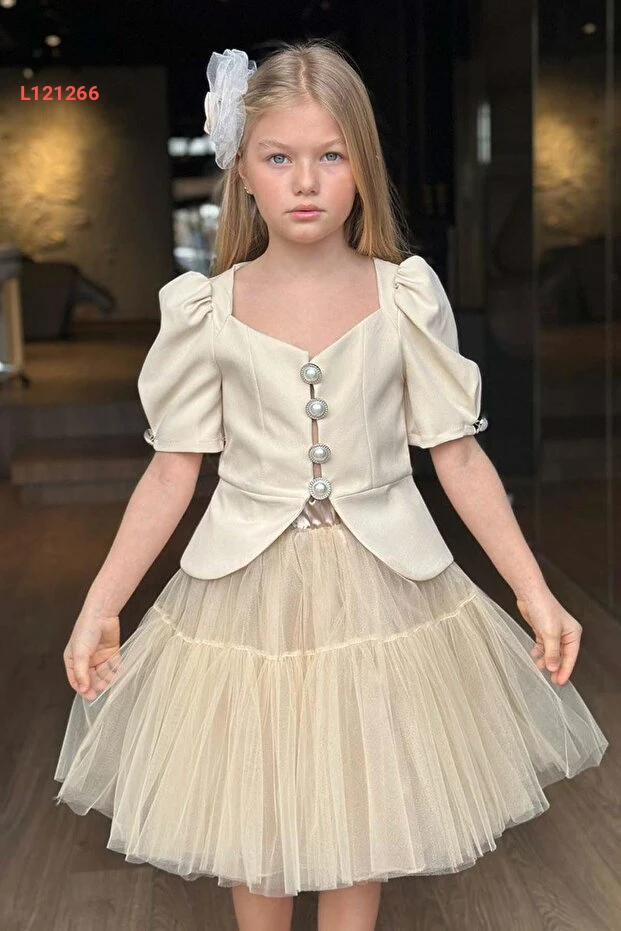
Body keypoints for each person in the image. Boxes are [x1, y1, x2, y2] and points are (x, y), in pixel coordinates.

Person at [52, 39, 609, 931]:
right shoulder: (207, 310)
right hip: (243, 596)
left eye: (330, 155)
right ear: (241, 170)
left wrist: (533, 592)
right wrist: (101, 604)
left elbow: (458, 456)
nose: (305, 181)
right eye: (278, 157)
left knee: (362, 801)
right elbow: (171, 469)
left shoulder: (404, 297)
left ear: (362, 167)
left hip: (384, 589)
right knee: (257, 807)